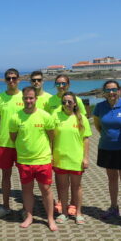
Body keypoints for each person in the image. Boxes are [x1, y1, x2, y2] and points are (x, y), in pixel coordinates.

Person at [9, 87, 57, 231]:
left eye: (31, 98)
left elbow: (52, 135)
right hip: (24, 160)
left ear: (36, 99)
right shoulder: (15, 117)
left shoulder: (45, 116)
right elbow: (13, 137)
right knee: (27, 190)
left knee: (46, 190)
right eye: (26, 98)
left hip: (43, 160)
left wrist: (50, 154)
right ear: (22, 99)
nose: (28, 101)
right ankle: (29, 216)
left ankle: (50, 219)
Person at [93, 80, 121, 225]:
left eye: (114, 89)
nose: (111, 93)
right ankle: (114, 208)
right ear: (104, 93)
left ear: (119, 90)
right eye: (108, 90)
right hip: (106, 148)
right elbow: (98, 126)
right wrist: (109, 138)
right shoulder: (100, 107)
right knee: (112, 178)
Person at [46, 74, 87, 216]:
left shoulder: (79, 105)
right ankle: (62, 205)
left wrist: (85, 157)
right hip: (59, 151)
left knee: (76, 185)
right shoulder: (50, 101)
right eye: (58, 83)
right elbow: (48, 127)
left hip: (74, 153)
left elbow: (84, 132)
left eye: (63, 83)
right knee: (61, 185)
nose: (61, 86)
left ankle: (75, 208)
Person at [52, 92, 92, 225]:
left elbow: (85, 139)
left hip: (76, 158)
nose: (67, 104)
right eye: (64, 102)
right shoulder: (56, 116)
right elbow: (50, 137)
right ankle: (64, 212)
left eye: (69, 102)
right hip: (60, 158)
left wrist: (86, 158)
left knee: (77, 187)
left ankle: (78, 213)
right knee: (63, 187)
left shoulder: (81, 118)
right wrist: (51, 155)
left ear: (75, 103)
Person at [0, 68, 23, 218]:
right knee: (5, 176)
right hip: (4, 143)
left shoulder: (25, 96)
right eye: (8, 78)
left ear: (19, 79)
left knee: (25, 178)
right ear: (5, 80)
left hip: (23, 143)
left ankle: (26, 208)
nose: (11, 81)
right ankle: (5, 206)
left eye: (14, 78)